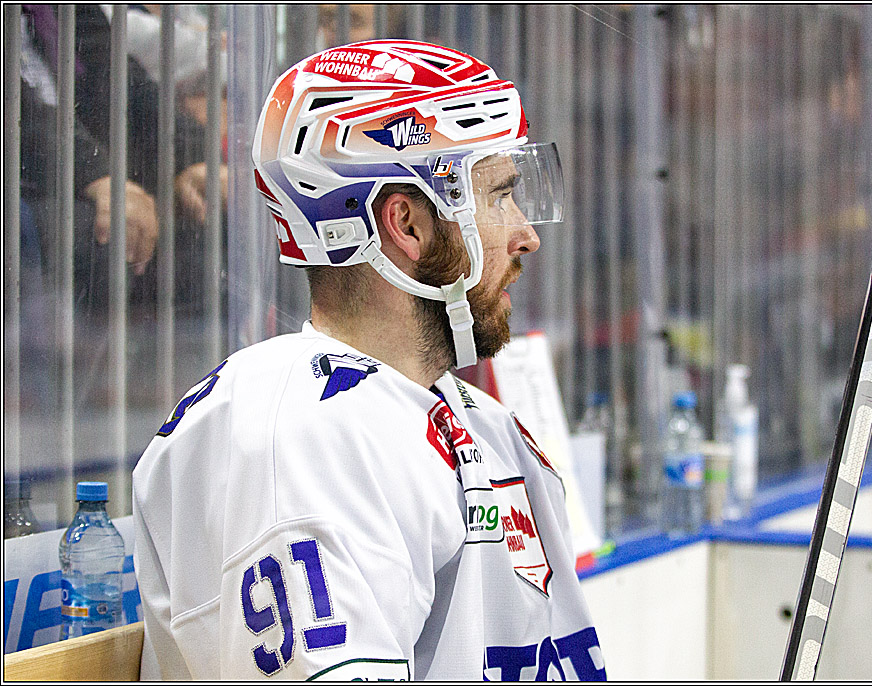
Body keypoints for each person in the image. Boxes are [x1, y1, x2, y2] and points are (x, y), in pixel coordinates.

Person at [132, 40, 606, 681]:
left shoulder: (484, 424)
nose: (527, 233)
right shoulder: (296, 439)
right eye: (498, 197)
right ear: (406, 225)